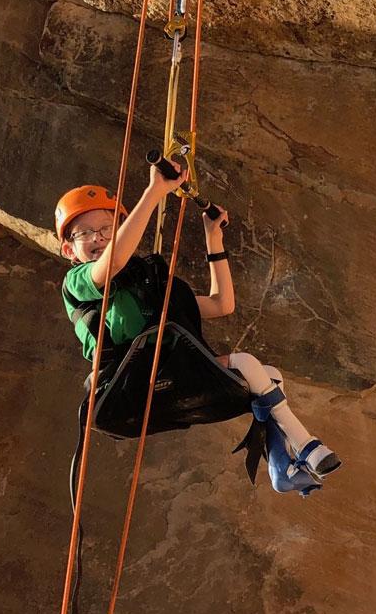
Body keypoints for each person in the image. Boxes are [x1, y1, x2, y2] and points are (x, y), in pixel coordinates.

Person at [54, 160, 339, 483]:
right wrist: (154, 192)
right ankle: (306, 446)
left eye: (107, 229)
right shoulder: (77, 282)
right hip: (121, 391)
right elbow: (115, 259)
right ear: (69, 249)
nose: (100, 238)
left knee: (268, 377)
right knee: (246, 363)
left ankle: (281, 465)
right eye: (86, 233)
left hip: (164, 383)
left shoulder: (147, 287)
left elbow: (222, 304)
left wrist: (213, 240)